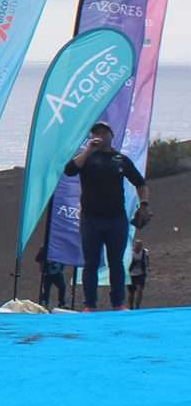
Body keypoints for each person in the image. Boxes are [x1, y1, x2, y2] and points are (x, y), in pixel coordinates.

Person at [63, 121, 149, 312]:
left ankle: (118, 302)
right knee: (91, 263)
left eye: (104, 132)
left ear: (111, 135)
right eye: (96, 133)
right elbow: (69, 171)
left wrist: (144, 205)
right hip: (91, 219)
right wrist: (88, 151)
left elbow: (140, 183)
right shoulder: (86, 159)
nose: (100, 136)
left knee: (116, 262)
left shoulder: (120, 159)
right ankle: (89, 304)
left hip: (116, 219)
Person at [34, 244, 67, 309]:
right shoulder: (44, 248)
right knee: (46, 290)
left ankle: (61, 303)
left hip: (57, 273)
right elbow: (37, 259)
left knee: (62, 287)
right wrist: (42, 252)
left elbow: (64, 258)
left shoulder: (60, 248)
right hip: (47, 274)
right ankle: (44, 304)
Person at [127, 238, 150, 310]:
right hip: (131, 274)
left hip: (141, 274)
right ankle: (131, 307)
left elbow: (147, 259)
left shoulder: (145, 252)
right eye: (137, 245)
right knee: (131, 292)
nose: (139, 247)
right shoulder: (130, 253)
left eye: (140, 246)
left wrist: (148, 266)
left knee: (140, 290)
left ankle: (137, 306)